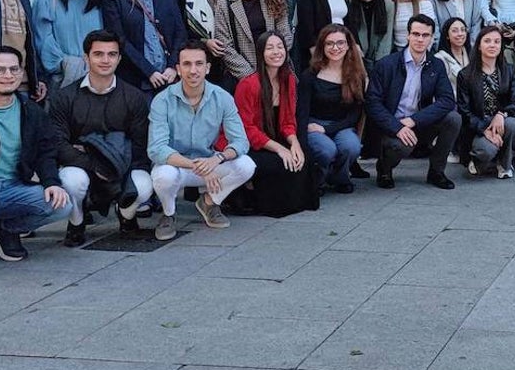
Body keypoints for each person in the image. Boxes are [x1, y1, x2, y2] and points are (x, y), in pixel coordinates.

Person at [0, 47, 71, 275]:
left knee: (62, 205)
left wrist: (51, 182)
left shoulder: (31, 111)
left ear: (22, 73)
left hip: (13, 187)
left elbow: (45, 151)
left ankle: (5, 229)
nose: (8, 75)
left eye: (14, 69)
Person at [147, 40, 255, 240]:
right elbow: (157, 149)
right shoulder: (162, 100)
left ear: (207, 68)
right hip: (176, 164)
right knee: (163, 176)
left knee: (246, 165)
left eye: (198, 64)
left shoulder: (222, 97)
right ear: (178, 69)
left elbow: (241, 142)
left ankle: (209, 201)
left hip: (209, 162)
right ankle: (168, 213)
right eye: (187, 64)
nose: (193, 70)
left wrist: (217, 159)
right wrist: (196, 166)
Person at [53, 31, 152, 245]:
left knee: (144, 186)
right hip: (80, 166)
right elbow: (58, 143)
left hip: (122, 165)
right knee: (71, 181)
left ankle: (127, 217)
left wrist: (113, 166)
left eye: (112, 54)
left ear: (119, 59)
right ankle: (76, 222)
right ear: (86, 58)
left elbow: (140, 144)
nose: (105, 60)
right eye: (98, 54)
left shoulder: (134, 97)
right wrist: (95, 164)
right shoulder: (64, 96)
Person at [225, 31, 318, 216]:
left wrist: (295, 143)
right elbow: (246, 129)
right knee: (278, 163)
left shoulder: (289, 79)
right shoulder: (248, 84)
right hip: (251, 143)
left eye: (280, 47)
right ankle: (252, 198)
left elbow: (288, 120)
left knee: (303, 157)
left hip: (275, 136)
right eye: (270, 48)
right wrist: (279, 148)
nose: (276, 52)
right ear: (261, 53)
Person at [364, 14, 461, 190]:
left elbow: (447, 100)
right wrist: (397, 127)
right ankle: (384, 169)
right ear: (407, 35)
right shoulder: (387, 64)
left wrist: (415, 120)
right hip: (392, 125)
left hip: (419, 123)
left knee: (453, 118)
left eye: (425, 35)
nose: (420, 39)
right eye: (416, 34)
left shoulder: (436, 64)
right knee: (403, 145)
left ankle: (436, 172)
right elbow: (372, 102)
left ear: (432, 38)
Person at [102, 0, 186, 94]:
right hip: (135, 81)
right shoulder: (115, 0)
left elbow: (180, 33)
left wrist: (173, 66)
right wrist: (149, 71)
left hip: (169, 78)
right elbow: (120, 41)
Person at [297, 23, 366, 194]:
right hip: (313, 125)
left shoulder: (357, 75)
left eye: (340, 43)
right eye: (329, 43)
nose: (335, 48)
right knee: (326, 150)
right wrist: (303, 136)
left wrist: (328, 129)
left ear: (349, 45)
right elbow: (302, 111)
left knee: (351, 146)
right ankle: (318, 180)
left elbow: (355, 114)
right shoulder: (310, 75)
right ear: (322, 46)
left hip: (342, 125)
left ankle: (340, 178)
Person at [214, 0, 294, 88]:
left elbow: (286, 35)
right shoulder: (224, 3)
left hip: (277, 72)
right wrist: (251, 77)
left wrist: (273, 67)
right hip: (243, 78)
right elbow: (225, 46)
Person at [31, 0, 104, 90]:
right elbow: (44, 41)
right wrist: (70, 64)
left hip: (99, 77)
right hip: (61, 80)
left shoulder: (99, 1)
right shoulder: (45, 0)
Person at [456, 26, 515, 179]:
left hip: (501, 121)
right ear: (479, 45)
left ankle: (504, 165)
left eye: (497, 42)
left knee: (512, 124)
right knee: (486, 150)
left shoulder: (509, 70)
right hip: (478, 125)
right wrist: (484, 129)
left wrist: (501, 114)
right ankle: (477, 160)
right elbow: (464, 110)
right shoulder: (465, 75)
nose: (492, 45)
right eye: (487, 41)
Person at [346, 0, 387, 70]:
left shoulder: (388, 5)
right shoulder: (348, 6)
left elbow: (387, 39)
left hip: (381, 60)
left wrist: (379, 64)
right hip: (357, 60)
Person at [435, 17, 470, 96]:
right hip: (451, 103)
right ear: (447, 35)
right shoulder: (440, 58)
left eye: (463, 30)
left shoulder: (472, 54)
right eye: (454, 31)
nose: (460, 34)